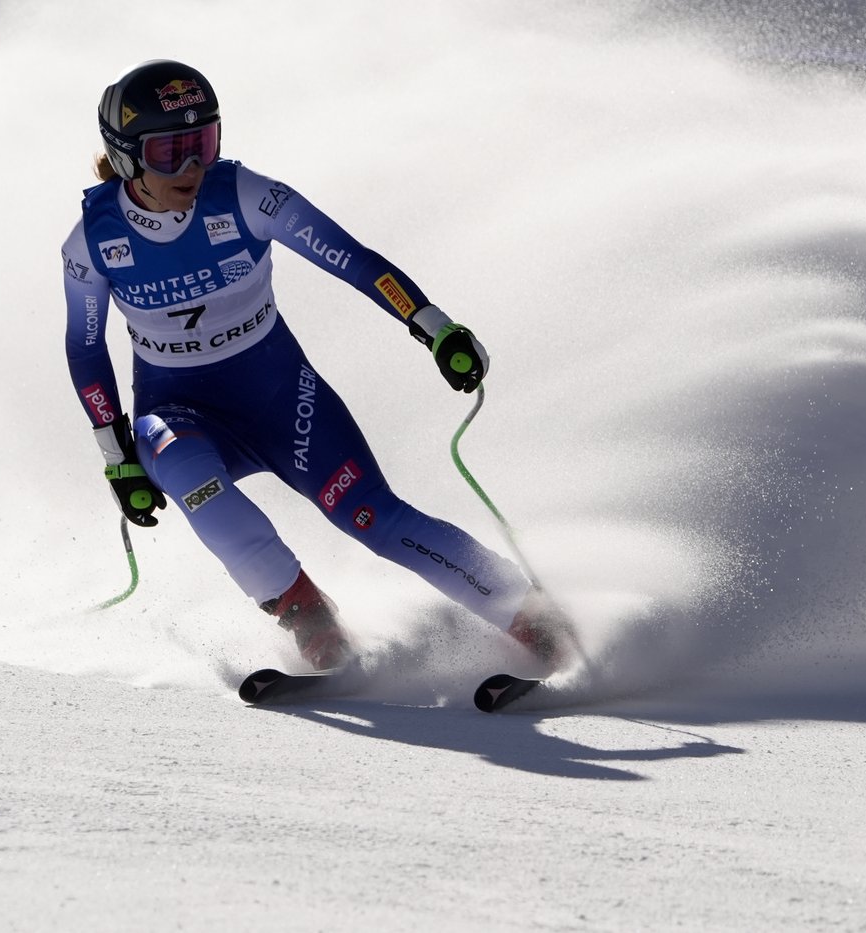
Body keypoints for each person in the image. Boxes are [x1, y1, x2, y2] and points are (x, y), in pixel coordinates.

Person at [62, 59, 570, 673]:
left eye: (204, 144)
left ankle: (528, 613)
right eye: (172, 153)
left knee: (372, 518)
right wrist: (116, 457)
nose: (193, 168)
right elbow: (86, 349)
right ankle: (306, 612)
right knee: (192, 478)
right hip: (178, 414)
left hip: (281, 398)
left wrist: (433, 327)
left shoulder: (247, 196)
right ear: (126, 158)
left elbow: (354, 260)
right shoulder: (92, 242)